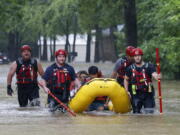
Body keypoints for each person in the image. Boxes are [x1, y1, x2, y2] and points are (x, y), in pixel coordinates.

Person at [124, 48, 161, 114]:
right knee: (136, 114)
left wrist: (158, 76)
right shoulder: (129, 68)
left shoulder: (149, 66)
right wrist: (127, 91)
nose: (137, 58)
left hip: (148, 94)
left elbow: (154, 74)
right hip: (135, 95)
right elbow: (126, 79)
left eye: (139, 56)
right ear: (133, 57)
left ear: (141, 56)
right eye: (135, 56)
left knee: (149, 113)